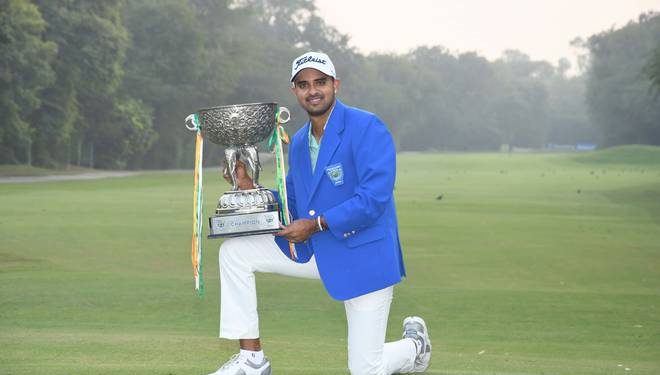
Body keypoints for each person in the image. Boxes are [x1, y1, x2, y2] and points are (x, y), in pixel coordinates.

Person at [207, 51, 431, 375]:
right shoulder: (298, 142)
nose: (313, 90)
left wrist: (316, 224)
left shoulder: (367, 127)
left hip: (364, 257)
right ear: (294, 91)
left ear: (335, 84)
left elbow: (373, 199)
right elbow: (292, 202)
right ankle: (252, 359)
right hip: (319, 249)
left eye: (320, 82)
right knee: (235, 253)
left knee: (365, 369)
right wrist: (249, 187)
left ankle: (414, 346)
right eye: (303, 84)